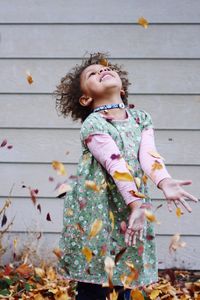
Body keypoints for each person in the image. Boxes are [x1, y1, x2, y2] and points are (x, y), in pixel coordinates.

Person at [53, 52, 198, 300]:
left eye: (105, 69)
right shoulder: (94, 124)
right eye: (93, 73)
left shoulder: (141, 119)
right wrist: (137, 203)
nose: (101, 72)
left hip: (133, 205)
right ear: (86, 97)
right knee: (98, 276)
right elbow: (115, 163)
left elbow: (149, 156)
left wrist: (164, 181)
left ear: (122, 88)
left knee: (126, 266)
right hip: (99, 208)